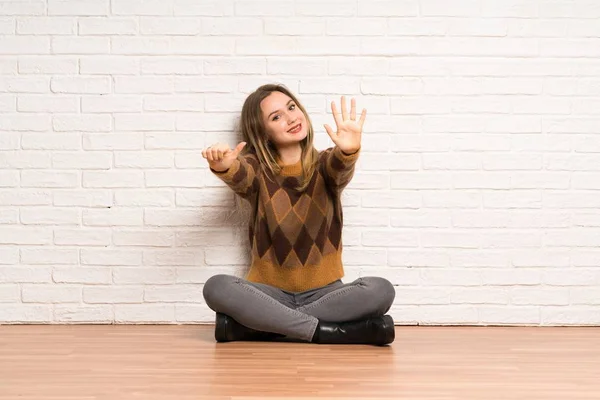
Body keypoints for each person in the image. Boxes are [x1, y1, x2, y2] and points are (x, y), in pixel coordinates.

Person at [201, 84, 395, 346]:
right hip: (268, 294)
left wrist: (348, 151)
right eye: (276, 117)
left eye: (291, 107)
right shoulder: (257, 171)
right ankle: (325, 332)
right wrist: (223, 166)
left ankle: (255, 328)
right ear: (263, 133)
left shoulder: (325, 165)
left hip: (326, 293)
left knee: (381, 290)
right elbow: (239, 174)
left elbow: (340, 166)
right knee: (216, 287)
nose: (291, 117)